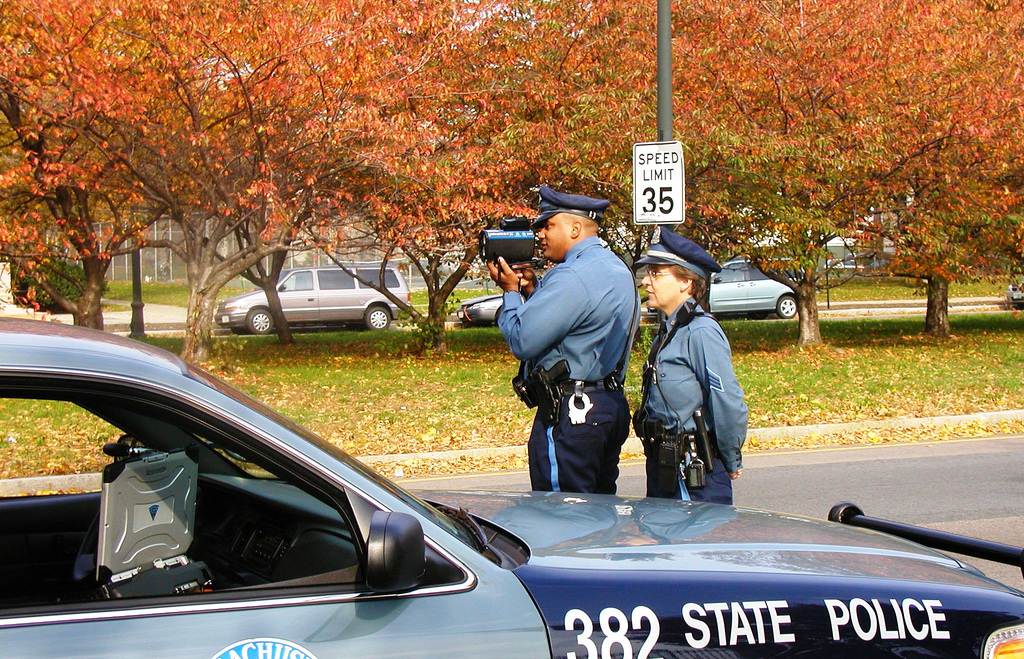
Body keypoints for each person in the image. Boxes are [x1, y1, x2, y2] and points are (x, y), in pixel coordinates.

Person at [487, 185, 639, 494]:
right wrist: (533, 290)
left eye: (547, 224)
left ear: (574, 227)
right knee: (598, 513)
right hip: (607, 406)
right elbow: (581, 323)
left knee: (563, 518)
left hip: (573, 413)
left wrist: (511, 292)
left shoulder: (572, 275)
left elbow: (522, 340)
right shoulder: (617, 268)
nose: (540, 233)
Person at [633, 226, 748, 504]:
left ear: (685, 283)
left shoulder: (700, 332)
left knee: (695, 546)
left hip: (693, 473)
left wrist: (731, 457)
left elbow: (727, 401)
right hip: (664, 467)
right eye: (647, 273)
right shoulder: (670, 330)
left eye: (656, 273)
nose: (646, 282)